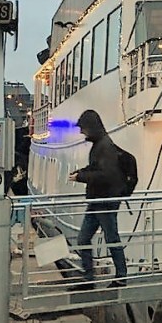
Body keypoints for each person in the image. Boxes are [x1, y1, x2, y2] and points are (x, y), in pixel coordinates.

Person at [69, 109, 128, 286]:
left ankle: (120, 276)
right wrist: (82, 172)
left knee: (111, 238)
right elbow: (97, 169)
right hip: (97, 200)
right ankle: (89, 277)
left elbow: (105, 175)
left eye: (83, 128)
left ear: (91, 127)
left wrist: (81, 177)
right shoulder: (101, 145)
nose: (81, 132)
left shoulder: (104, 146)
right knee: (84, 239)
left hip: (105, 200)